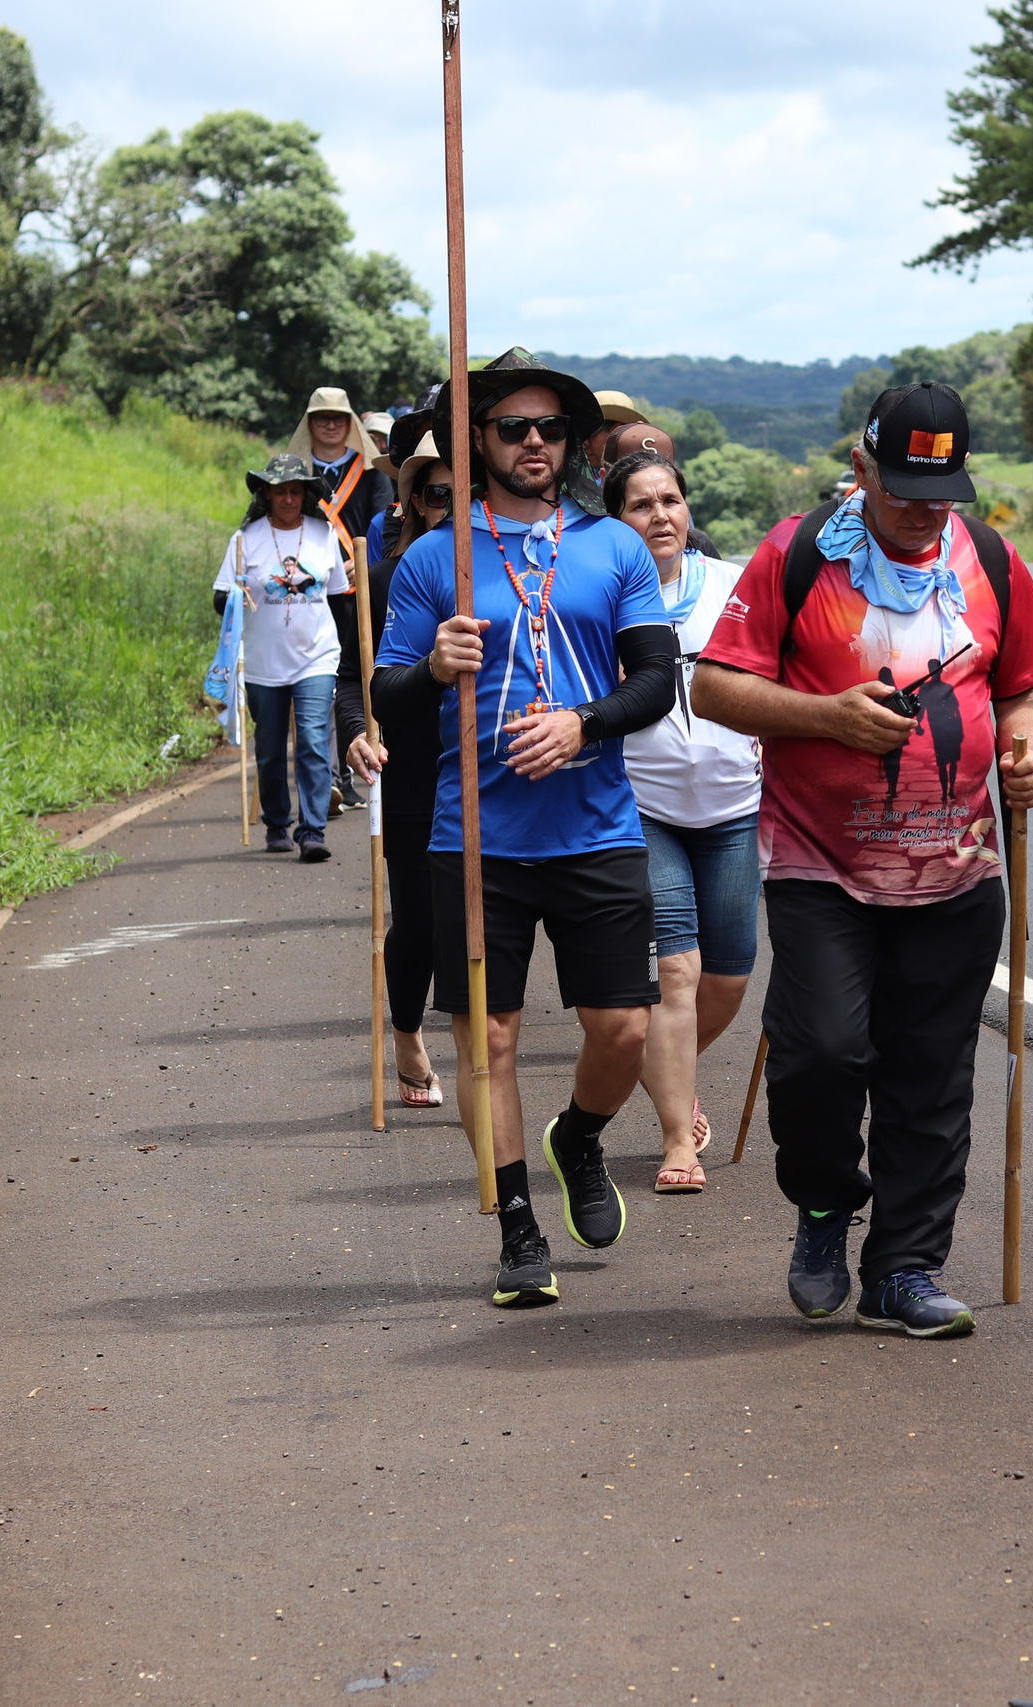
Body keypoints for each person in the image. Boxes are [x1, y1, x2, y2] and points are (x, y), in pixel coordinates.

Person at [693, 381, 1033, 1339]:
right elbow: (716, 687)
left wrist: (1029, 751)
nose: (926, 513)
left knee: (930, 1073)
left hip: (959, 868)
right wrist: (825, 717)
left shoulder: (988, 560)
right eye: (903, 491)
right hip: (822, 864)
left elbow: (1025, 688)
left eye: (942, 494)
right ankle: (823, 1203)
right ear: (860, 470)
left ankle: (905, 1267)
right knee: (820, 1052)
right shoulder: (798, 553)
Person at [374, 350, 679, 1309]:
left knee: (624, 1028)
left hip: (597, 831)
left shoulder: (614, 549)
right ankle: (515, 1222)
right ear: (478, 441)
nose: (535, 443)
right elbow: (386, 694)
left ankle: (580, 1135)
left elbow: (656, 680)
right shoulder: (437, 559)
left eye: (550, 428)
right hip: (474, 841)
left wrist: (581, 721)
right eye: (514, 428)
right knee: (489, 1041)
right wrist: (433, 666)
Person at [604, 449, 763, 1193]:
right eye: (640, 505)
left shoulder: (733, 586)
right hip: (644, 806)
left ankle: (669, 1067)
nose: (660, 516)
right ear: (616, 520)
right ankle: (677, 1140)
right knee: (677, 970)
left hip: (735, 809)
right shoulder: (600, 594)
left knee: (728, 978)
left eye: (670, 500)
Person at [336, 429, 452, 1108]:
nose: (448, 506)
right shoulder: (382, 580)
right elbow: (353, 679)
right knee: (420, 922)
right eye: (435, 493)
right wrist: (355, 731)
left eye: (460, 492)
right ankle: (407, 1031)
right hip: (411, 768)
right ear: (409, 502)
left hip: (499, 769)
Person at [213, 452, 353, 862]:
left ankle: (312, 830)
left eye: (295, 491)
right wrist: (235, 597)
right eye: (280, 492)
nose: (288, 499)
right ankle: (277, 822)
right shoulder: (245, 540)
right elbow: (220, 598)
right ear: (266, 495)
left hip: (317, 657)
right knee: (271, 747)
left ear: (306, 494)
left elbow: (336, 596)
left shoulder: (324, 534)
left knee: (311, 739)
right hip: (261, 661)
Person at [291, 388, 384, 814]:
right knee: (316, 687)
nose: (330, 425)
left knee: (355, 682)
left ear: (350, 424)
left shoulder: (369, 472)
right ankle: (327, 778)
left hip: (357, 593)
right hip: (306, 596)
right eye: (321, 417)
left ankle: (349, 774)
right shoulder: (292, 476)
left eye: (338, 418)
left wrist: (365, 565)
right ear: (309, 423)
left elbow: (386, 525)